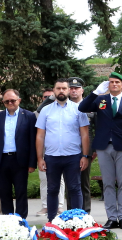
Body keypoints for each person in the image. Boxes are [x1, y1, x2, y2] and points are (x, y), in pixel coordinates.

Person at [78, 72, 122, 229]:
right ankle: (112, 217)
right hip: (104, 146)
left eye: (117, 82)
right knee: (108, 183)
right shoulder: (100, 100)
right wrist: (96, 92)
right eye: (111, 82)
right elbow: (82, 107)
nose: (114, 84)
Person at [36, 79, 91, 221]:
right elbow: (40, 135)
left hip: (73, 156)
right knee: (52, 189)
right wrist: (40, 158)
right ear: (54, 91)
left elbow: (84, 134)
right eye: (58, 88)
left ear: (68, 90)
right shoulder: (45, 111)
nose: (61, 91)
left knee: (74, 188)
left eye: (64, 88)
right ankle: (52, 220)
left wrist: (85, 155)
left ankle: (76, 220)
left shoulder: (78, 110)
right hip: (52, 156)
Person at [0, 89, 37, 218]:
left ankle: (21, 222)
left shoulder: (29, 116)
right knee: (4, 193)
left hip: (20, 161)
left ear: (19, 100)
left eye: (13, 100)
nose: (10, 103)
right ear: (3, 102)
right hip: (1, 161)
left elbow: (33, 141)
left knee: (21, 192)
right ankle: (8, 223)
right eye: (7, 101)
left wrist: (32, 163)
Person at [67, 78, 95, 213]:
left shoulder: (90, 106)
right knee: (69, 184)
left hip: (86, 150)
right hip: (68, 150)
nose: (73, 90)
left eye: (76, 88)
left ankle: (85, 212)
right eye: (71, 88)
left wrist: (92, 150)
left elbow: (95, 130)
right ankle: (70, 212)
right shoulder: (63, 106)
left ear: (82, 90)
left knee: (84, 183)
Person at [36, 86, 63, 217]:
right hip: (46, 150)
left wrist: (53, 98)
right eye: (45, 97)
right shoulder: (41, 112)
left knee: (60, 181)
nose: (48, 99)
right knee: (44, 180)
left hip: (60, 150)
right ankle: (45, 206)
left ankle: (60, 206)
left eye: (50, 96)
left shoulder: (61, 109)